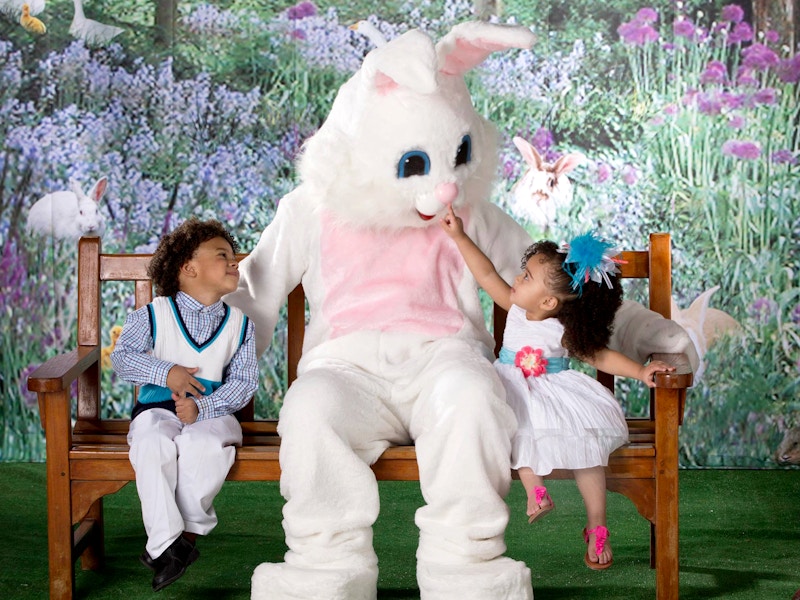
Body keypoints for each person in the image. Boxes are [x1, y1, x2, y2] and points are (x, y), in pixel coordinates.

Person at [441, 205, 674, 570]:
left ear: (549, 302)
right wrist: (458, 235)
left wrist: (641, 371)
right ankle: (536, 492)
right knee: (513, 425)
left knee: (586, 445)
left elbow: (601, 357)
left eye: (527, 277)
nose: (517, 279)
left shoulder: (563, 330)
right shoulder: (516, 305)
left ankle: (597, 524)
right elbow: (485, 272)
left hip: (553, 393)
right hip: (511, 387)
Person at [111, 218, 259, 591]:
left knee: (202, 446)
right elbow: (123, 357)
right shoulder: (153, 315)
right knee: (151, 442)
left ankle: (176, 542)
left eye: (234, 256)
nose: (234, 262)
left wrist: (203, 410)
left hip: (215, 414)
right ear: (188, 268)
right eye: (222, 254)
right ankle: (169, 543)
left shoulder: (241, 325)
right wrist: (166, 373)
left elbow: (244, 382)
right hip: (156, 410)